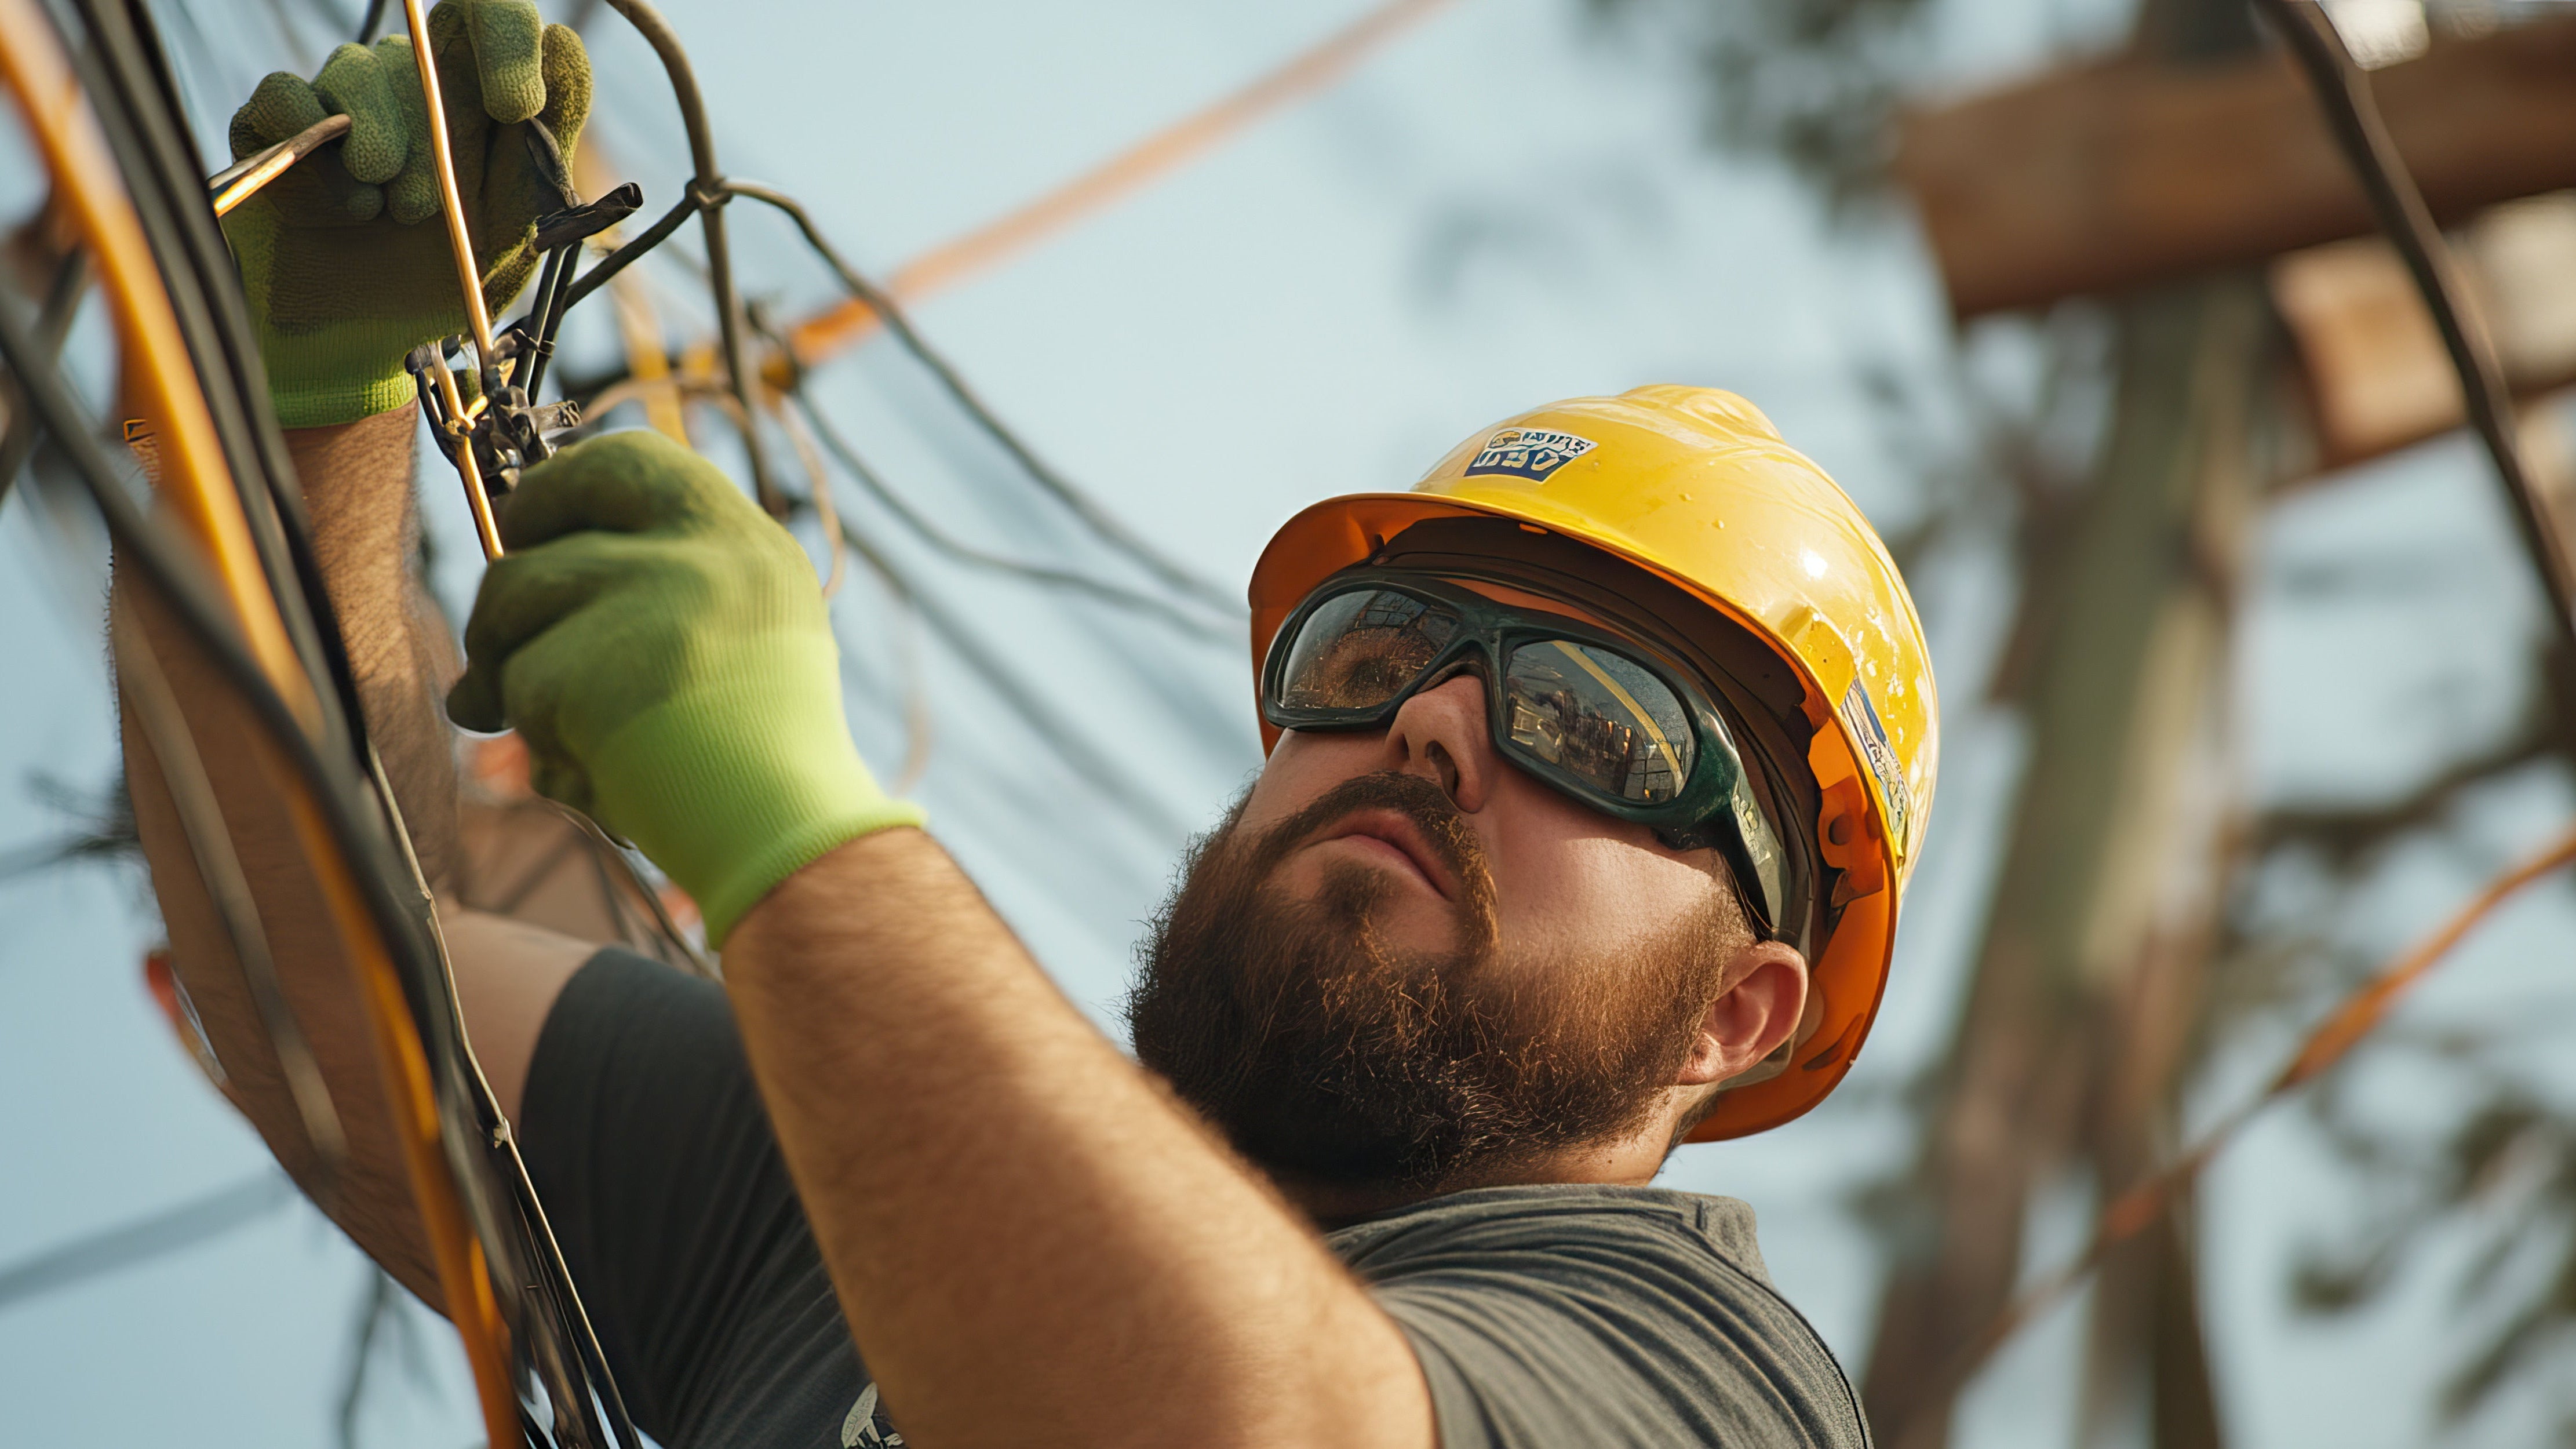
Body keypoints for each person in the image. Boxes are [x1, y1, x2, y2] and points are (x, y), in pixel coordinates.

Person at [132, 5, 1937, 1445]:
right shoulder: (854, 1188)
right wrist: (293, 414)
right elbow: (317, 992)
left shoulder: (1705, 1383)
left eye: (1593, 725)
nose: (1439, 724)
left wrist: (786, 818)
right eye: (1377, 656)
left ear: (1732, 1013)